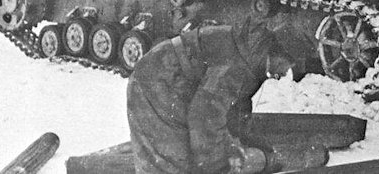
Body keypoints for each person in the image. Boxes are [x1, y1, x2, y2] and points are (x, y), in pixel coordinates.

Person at [126, 13, 296, 174]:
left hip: (170, 80)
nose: (283, 74)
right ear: (274, 54)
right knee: (171, 163)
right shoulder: (237, 64)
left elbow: (233, 110)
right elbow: (204, 117)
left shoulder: (249, 54)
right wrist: (219, 166)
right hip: (157, 82)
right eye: (286, 65)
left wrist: (248, 143)